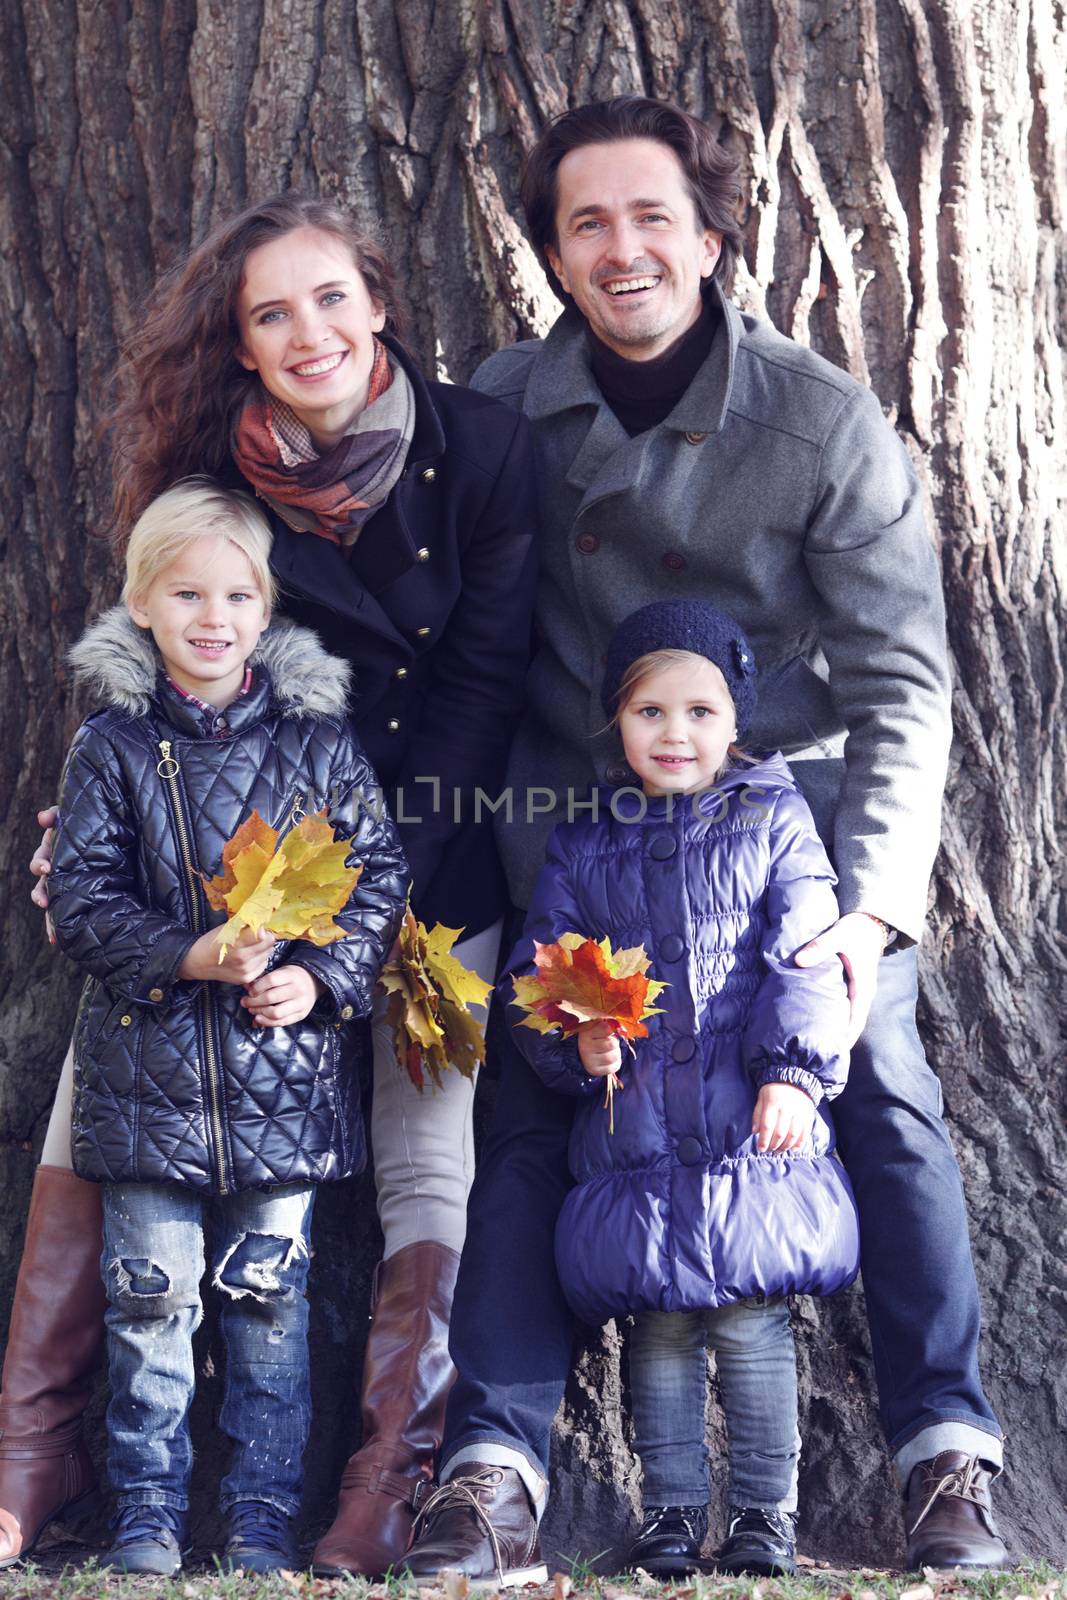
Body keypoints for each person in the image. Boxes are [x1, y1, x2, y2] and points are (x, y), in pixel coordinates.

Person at [404, 96, 1008, 1581]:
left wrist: (863, 916)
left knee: (880, 1078)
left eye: (650, 215)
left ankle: (947, 1453)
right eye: (584, 223)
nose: (621, 250)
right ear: (549, 252)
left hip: (776, 842)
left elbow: (899, 683)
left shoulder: (813, 419)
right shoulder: (492, 406)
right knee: (531, 1119)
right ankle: (491, 1474)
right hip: (576, 840)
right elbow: (409, 629)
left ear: (711, 232)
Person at [2, 195, 536, 1576]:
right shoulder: (213, 474)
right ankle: (32, 1450)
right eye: (268, 314)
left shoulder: (479, 447)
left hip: (417, 856)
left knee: (432, 1155)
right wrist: (113, 825)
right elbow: (163, 650)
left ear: (379, 301)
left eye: (328, 298)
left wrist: (358, 897)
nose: (307, 333)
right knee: (102, 1100)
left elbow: (480, 679)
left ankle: (387, 1481)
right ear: (237, 347)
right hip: (209, 871)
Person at [47, 479, 408, 1573]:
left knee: (268, 1304)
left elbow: (375, 877)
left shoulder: (315, 746)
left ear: (266, 610)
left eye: (236, 595)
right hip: (146, 1078)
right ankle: (147, 1509)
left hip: (280, 1084)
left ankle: (259, 1513)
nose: (212, 616)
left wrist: (325, 978)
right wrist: (187, 955)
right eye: (186, 592)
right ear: (143, 606)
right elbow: (82, 897)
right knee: (148, 1304)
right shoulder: (112, 746)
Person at [504, 601, 861, 1578]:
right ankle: (667, 1514)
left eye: (699, 711)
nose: (674, 732)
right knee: (656, 1337)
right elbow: (543, 973)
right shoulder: (584, 844)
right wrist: (574, 1045)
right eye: (649, 711)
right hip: (637, 1147)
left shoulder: (771, 817)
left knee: (749, 1330)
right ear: (616, 722)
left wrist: (792, 1071)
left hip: (749, 1128)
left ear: (733, 722)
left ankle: (761, 1518)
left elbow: (805, 955)